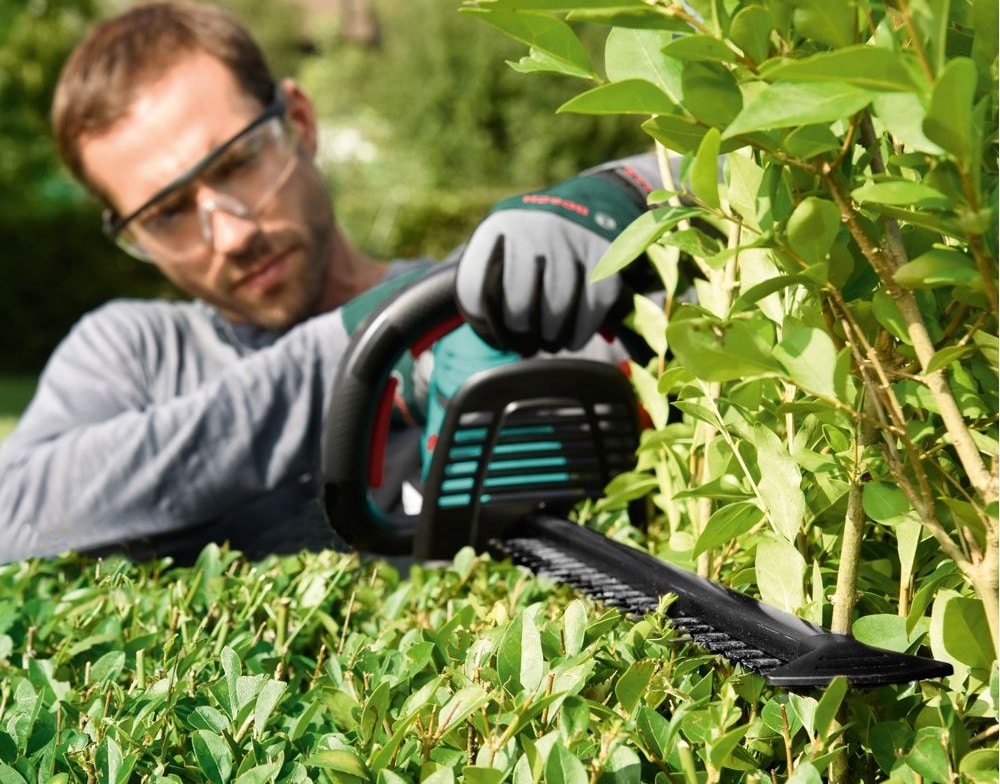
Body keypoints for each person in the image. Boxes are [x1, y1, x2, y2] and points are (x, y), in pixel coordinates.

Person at [0, 1, 664, 564]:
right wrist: (367, 351)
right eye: (167, 214)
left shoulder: (480, 307)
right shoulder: (138, 355)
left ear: (299, 123)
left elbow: (721, 162)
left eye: (236, 164)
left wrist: (620, 195)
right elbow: (14, 514)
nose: (230, 235)